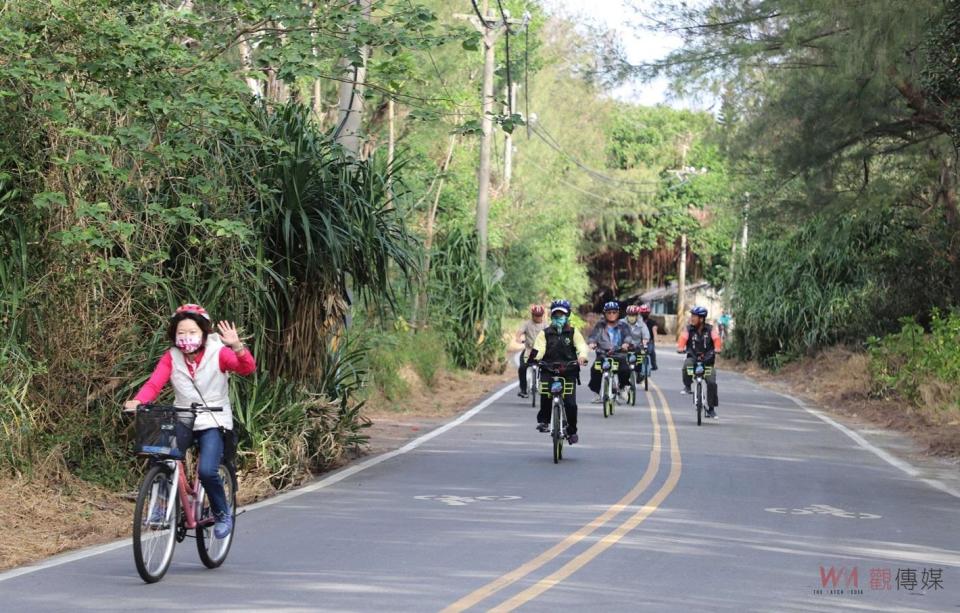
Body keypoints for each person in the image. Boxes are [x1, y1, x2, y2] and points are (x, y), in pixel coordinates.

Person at [124, 304, 256, 538]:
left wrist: (237, 347)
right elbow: (154, 384)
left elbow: (246, 368)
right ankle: (160, 507)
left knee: (207, 471)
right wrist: (138, 401)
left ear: (204, 332)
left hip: (213, 418)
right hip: (182, 416)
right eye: (181, 333)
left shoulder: (219, 352)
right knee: (160, 457)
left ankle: (221, 512)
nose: (186, 338)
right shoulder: (171, 357)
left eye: (192, 332)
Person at [528, 299, 588, 443]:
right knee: (546, 396)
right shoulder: (545, 333)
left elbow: (581, 346)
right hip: (549, 369)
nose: (558, 318)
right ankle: (544, 421)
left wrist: (582, 357)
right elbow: (539, 348)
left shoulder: (573, 332)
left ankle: (572, 430)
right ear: (551, 316)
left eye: (561, 315)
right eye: (556, 315)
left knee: (571, 404)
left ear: (567, 316)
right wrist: (535, 359)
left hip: (569, 370)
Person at [677, 305, 722, 418]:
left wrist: (717, 348)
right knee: (687, 365)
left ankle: (711, 409)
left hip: (707, 360)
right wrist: (681, 347)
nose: (692, 318)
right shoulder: (688, 329)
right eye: (692, 315)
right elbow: (683, 339)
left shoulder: (711, 329)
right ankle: (687, 386)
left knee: (711, 382)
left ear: (701, 319)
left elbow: (717, 340)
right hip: (693, 358)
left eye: (694, 316)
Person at [587, 301, 632, 402]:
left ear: (618, 313)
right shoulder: (600, 325)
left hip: (619, 354)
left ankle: (623, 388)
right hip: (603, 354)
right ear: (605, 313)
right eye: (609, 312)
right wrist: (592, 343)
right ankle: (597, 394)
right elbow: (593, 336)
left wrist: (626, 344)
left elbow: (628, 337)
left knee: (625, 369)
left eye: (614, 312)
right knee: (594, 370)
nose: (611, 314)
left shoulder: (623, 326)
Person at [515, 304, 548, 398]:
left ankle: (545, 387)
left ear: (542, 315)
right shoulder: (527, 324)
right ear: (532, 315)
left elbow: (551, 334)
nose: (537, 318)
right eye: (535, 315)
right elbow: (519, 333)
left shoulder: (545, 325)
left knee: (548, 367)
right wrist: (518, 339)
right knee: (522, 368)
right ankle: (523, 390)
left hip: (542, 351)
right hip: (529, 350)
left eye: (539, 316)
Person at [624, 304, 652, 377]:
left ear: (637, 315)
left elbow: (646, 335)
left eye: (633, 315)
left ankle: (642, 373)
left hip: (637, 347)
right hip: (624, 346)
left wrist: (644, 342)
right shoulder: (622, 323)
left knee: (644, 356)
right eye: (630, 315)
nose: (631, 317)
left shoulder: (642, 324)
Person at [639, 304, 658, 371]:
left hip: (649, 341)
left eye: (645, 313)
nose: (644, 314)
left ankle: (654, 365)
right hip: (639, 341)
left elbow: (654, 330)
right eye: (643, 313)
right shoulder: (638, 322)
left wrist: (655, 338)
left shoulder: (652, 322)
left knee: (651, 352)